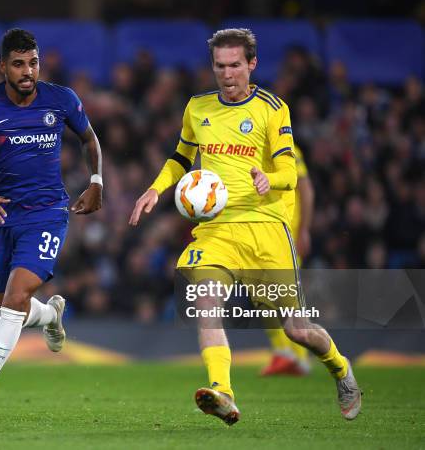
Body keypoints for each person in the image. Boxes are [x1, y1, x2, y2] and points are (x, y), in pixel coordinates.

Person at [129, 28, 360, 425]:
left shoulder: (272, 108)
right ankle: (223, 391)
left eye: (235, 65)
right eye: (219, 66)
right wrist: (154, 190)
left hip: (265, 227)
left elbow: (290, 168)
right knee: (205, 303)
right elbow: (181, 159)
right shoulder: (197, 107)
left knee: (297, 330)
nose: (227, 74)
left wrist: (272, 180)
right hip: (216, 229)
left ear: (251, 64)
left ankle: (341, 369)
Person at [0, 28, 103, 422]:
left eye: (33, 62)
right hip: (4, 215)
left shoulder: (62, 99)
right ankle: (51, 316)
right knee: (7, 305)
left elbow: (90, 139)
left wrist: (96, 182)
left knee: (15, 301)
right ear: (3, 66)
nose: (27, 71)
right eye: (18, 64)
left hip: (48, 212)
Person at [262, 144, 315, 376]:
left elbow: (305, 189)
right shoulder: (249, 143)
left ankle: (300, 356)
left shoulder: (288, 148)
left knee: (286, 294)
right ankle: (284, 353)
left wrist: (303, 229)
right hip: (259, 230)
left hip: (285, 231)